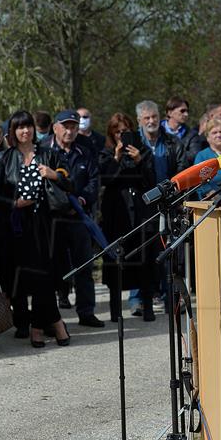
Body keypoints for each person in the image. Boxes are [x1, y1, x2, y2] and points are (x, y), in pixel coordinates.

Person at [0, 110, 71, 346]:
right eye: (19, 127)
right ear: (12, 132)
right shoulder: (5, 159)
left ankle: (38, 327)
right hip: (18, 228)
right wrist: (14, 203)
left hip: (47, 224)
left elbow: (69, 183)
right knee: (34, 277)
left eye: (28, 126)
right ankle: (54, 323)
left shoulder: (48, 154)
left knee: (45, 275)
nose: (25, 131)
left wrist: (53, 175)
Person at [44, 109, 105, 328]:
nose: (70, 131)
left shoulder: (85, 151)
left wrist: (83, 199)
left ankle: (86, 312)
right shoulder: (45, 151)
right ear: (55, 128)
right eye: (66, 126)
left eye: (73, 126)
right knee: (53, 268)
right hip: (53, 218)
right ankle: (51, 317)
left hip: (79, 217)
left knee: (84, 267)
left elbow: (93, 181)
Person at [99, 113, 158, 322]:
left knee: (144, 260)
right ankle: (116, 311)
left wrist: (139, 160)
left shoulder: (142, 152)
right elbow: (105, 180)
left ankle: (148, 306)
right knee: (116, 262)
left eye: (125, 131)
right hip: (117, 214)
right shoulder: (106, 153)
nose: (121, 136)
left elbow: (151, 182)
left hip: (140, 213)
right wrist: (116, 158)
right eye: (117, 132)